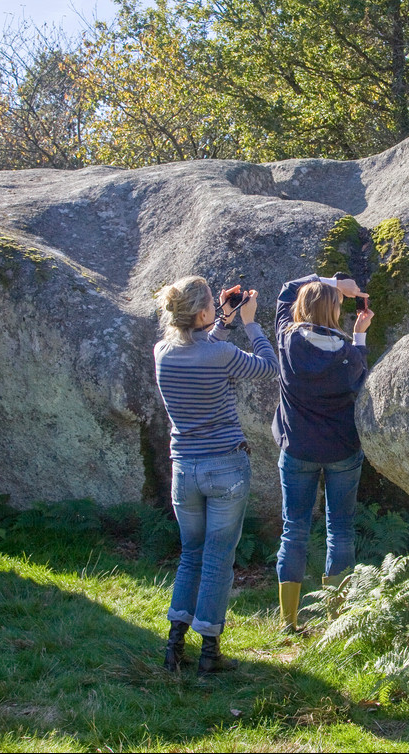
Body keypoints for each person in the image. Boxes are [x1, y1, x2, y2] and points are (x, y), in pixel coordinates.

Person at [154, 276, 277, 675]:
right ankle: (209, 652)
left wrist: (221, 320)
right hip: (225, 465)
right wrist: (251, 322)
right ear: (202, 312)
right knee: (218, 559)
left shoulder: (162, 352)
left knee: (191, 554)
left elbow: (200, 346)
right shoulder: (221, 353)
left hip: (184, 468)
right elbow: (268, 368)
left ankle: (174, 644)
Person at [272, 272, 374, 632]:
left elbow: (285, 290)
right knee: (341, 531)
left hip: (297, 448)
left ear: (302, 307)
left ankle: (288, 621)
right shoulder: (348, 354)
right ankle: (336, 619)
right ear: (334, 312)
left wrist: (330, 280)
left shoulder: (286, 341)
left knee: (293, 529)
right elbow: (359, 378)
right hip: (343, 450)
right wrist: (360, 333)